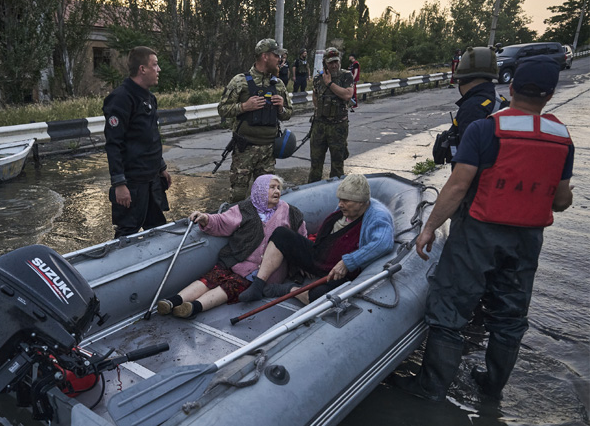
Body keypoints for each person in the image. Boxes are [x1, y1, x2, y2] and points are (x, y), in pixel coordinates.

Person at [397, 56, 574, 402]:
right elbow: (561, 201)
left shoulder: (486, 129)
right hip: (527, 240)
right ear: (550, 95)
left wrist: (430, 227)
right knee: (510, 315)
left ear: (512, 87)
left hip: (478, 231)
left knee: (450, 307)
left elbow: (458, 185)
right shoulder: (562, 138)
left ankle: (431, 387)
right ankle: (491, 389)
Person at [156, 175, 307, 318]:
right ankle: (173, 301)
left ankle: (194, 307)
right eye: (272, 187)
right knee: (211, 277)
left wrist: (303, 267)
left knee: (232, 285)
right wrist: (205, 218)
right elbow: (222, 222)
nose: (277, 191)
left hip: (266, 273)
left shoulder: (291, 212)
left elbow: (301, 240)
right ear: (260, 190)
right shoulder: (245, 208)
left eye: (278, 188)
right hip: (237, 261)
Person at [238, 174, 394, 303]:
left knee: (319, 297)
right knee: (281, 233)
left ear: (361, 202)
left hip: (340, 271)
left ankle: (288, 289)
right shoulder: (345, 209)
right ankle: (258, 285)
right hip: (320, 256)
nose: (340, 204)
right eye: (339, 199)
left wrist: (348, 262)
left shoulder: (377, 216)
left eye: (345, 201)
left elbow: (383, 243)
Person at [103, 46, 172, 238]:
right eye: (155, 65)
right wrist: (119, 184)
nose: (159, 70)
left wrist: (161, 167)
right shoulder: (121, 98)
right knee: (127, 231)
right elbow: (113, 145)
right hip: (131, 183)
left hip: (151, 180)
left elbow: (149, 137)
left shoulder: (149, 98)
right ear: (142, 69)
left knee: (157, 228)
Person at [218, 38, 293, 202]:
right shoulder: (240, 81)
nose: (279, 59)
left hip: (268, 150)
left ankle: (263, 226)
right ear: (265, 56)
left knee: (266, 197)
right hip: (245, 149)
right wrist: (244, 106)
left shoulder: (278, 84)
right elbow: (222, 109)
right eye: (276, 55)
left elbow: (288, 114)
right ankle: (237, 225)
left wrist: (281, 108)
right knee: (238, 195)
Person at [433, 46, 510, 165]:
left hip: (478, 181)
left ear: (463, 78)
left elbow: (468, 160)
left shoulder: (472, 108)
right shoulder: (501, 101)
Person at [308, 47, 354, 183]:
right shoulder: (317, 79)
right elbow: (315, 96)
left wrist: (330, 83)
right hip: (320, 126)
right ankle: (312, 193)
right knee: (315, 164)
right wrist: (318, 110)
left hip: (338, 126)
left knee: (337, 165)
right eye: (330, 63)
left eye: (336, 62)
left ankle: (337, 194)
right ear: (325, 63)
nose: (334, 65)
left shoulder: (346, 76)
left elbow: (347, 94)